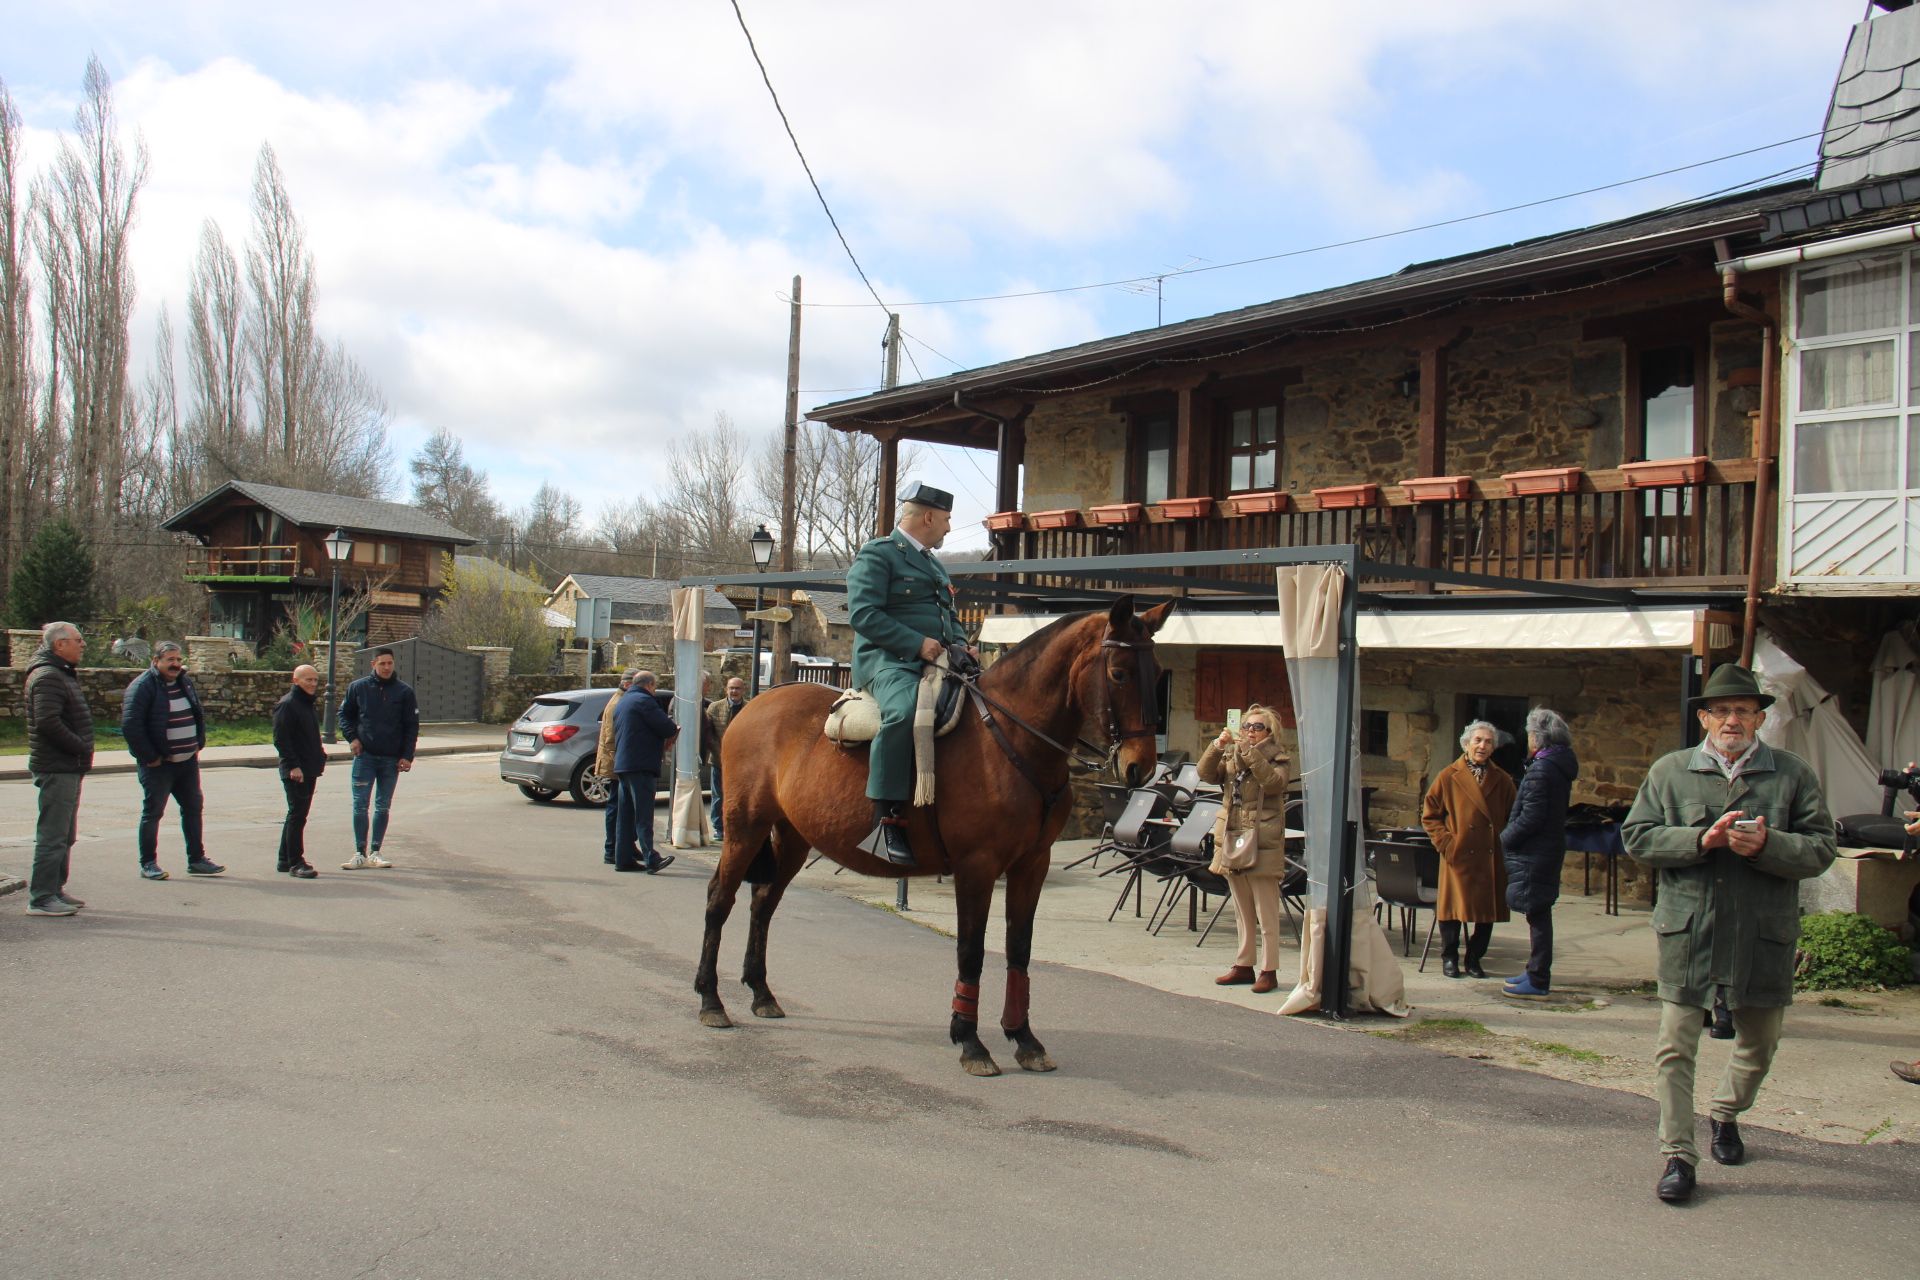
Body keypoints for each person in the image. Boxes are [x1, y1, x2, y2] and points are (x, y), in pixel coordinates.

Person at [1623, 663, 1835, 1205]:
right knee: (1674, 1048)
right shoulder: (1670, 772)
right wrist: (1702, 841)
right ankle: (1678, 1155)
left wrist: (1769, 846)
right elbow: (1637, 839)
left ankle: (1725, 1113)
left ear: (1760, 718)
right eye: (1722, 710)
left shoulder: (1791, 774)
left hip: (1761, 931)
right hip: (1690, 930)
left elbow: (1821, 849)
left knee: (1759, 1043)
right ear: (1704, 718)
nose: (1732, 720)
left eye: (1743, 710)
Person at [845, 481, 967, 867]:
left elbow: (949, 616)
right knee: (902, 711)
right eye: (946, 520)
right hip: (889, 661)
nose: (948, 528)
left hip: (939, 660)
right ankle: (886, 818)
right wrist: (917, 644)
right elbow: (862, 614)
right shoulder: (878, 555)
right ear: (928, 516)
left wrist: (962, 644)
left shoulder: (933, 563)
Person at [1197, 704, 1292, 993]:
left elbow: (1274, 784)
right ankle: (1243, 964)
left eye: (1257, 727)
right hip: (1233, 835)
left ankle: (1269, 969)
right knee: (1241, 908)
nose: (1250, 731)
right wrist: (1217, 745)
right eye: (1247, 726)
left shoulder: (1279, 757)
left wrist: (1249, 754)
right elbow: (1205, 773)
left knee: (1266, 911)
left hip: (1262, 839)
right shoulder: (1232, 754)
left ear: (1269, 732)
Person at [121, 640, 224, 880]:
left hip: (186, 762)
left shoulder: (183, 681)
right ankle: (148, 863)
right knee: (153, 813)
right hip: (159, 765)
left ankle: (197, 860)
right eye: (170, 660)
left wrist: (197, 743)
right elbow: (131, 726)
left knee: (193, 809)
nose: (176, 664)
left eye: (178, 660)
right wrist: (150, 757)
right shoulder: (142, 686)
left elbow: (196, 713)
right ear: (156, 661)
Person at [1421, 720, 1515, 979]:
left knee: (1486, 913)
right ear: (1467, 743)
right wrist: (1447, 843)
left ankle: (1474, 958)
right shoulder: (1448, 776)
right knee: (1452, 910)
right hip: (1459, 854)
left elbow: (1513, 816)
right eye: (1478, 741)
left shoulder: (1503, 780)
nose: (1482, 746)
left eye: (1488, 742)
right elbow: (1430, 815)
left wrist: (1504, 843)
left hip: (1489, 856)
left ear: (1494, 748)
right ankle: (1449, 957)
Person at [1499, 708, 1578, 997]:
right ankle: (1534, 970)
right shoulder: (1556, 765)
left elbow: (1531, 815)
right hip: (1547, 848)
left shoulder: (1543, 769)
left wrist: (1505, 839)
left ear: (1539, 738)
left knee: (1538, 913)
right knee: (1538, 913)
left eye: (1532, 734)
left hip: (1536, 851)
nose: (1529, 739)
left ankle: (1538, 977)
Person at [23, 621, 94, 916]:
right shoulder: (48, 676)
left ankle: (55, 889)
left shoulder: (60, 673)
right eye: (78, 640)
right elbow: (47, 721)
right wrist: (79, 745)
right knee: (53, 836)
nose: (83, 644)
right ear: (59, 644)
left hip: (68, 766)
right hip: (57, 766)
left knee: (65, 835)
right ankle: (41, 898)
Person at [337, 647, 419, 870]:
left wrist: (407, 755)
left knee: (382, 806)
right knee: (360, 805)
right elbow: (344, 715)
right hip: (365, 757)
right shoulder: (358, 688)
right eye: (382, 663)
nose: (386, 667)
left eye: (390, 663)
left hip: (391, 759)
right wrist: (352, 738)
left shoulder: (404, 692)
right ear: (373, 664)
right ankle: (359, 852)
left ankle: (376, 851)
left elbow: (411, 726)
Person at [612, 669, 676, 874]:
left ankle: (622, 859)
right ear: (649, 685)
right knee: (643, 814)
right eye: (654, 687)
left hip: (624, 764)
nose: (654, 691)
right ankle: (651, 858)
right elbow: (667, 727)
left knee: (626, 815)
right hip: (641, 765)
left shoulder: (623, 701)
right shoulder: (644, 701)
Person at [272, 665, 327, 879]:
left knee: (297, 814)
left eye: (315, 680)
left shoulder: (305, 703)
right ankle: (296, 862)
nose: (313, 684)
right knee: (297, 815)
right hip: (296, 770)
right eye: (308, 680)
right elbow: (281, 739)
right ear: (295, 680)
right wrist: (293, 765)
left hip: (309, 767)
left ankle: (284, 859)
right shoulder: (288, 705)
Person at [595, 669, 637, 865]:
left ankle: (625, 845)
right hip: (616, 762)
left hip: (616, 761)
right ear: (628, 684)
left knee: (620, 806)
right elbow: (613, 737)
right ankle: (612, 848)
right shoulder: (619, 703)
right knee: (616, 807)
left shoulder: (619, 699)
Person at [705, 675, 747, 839]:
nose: (734, 691)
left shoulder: (749, 708)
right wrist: (721, 754)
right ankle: (718, 827)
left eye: (737, 688)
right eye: (731, 688)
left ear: (743, 690)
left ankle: (737, 827)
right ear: (726, 689)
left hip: (742, 763)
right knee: (718, 796)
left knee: (740, 796)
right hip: (718, 761)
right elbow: (709, 736)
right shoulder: (714, 708)